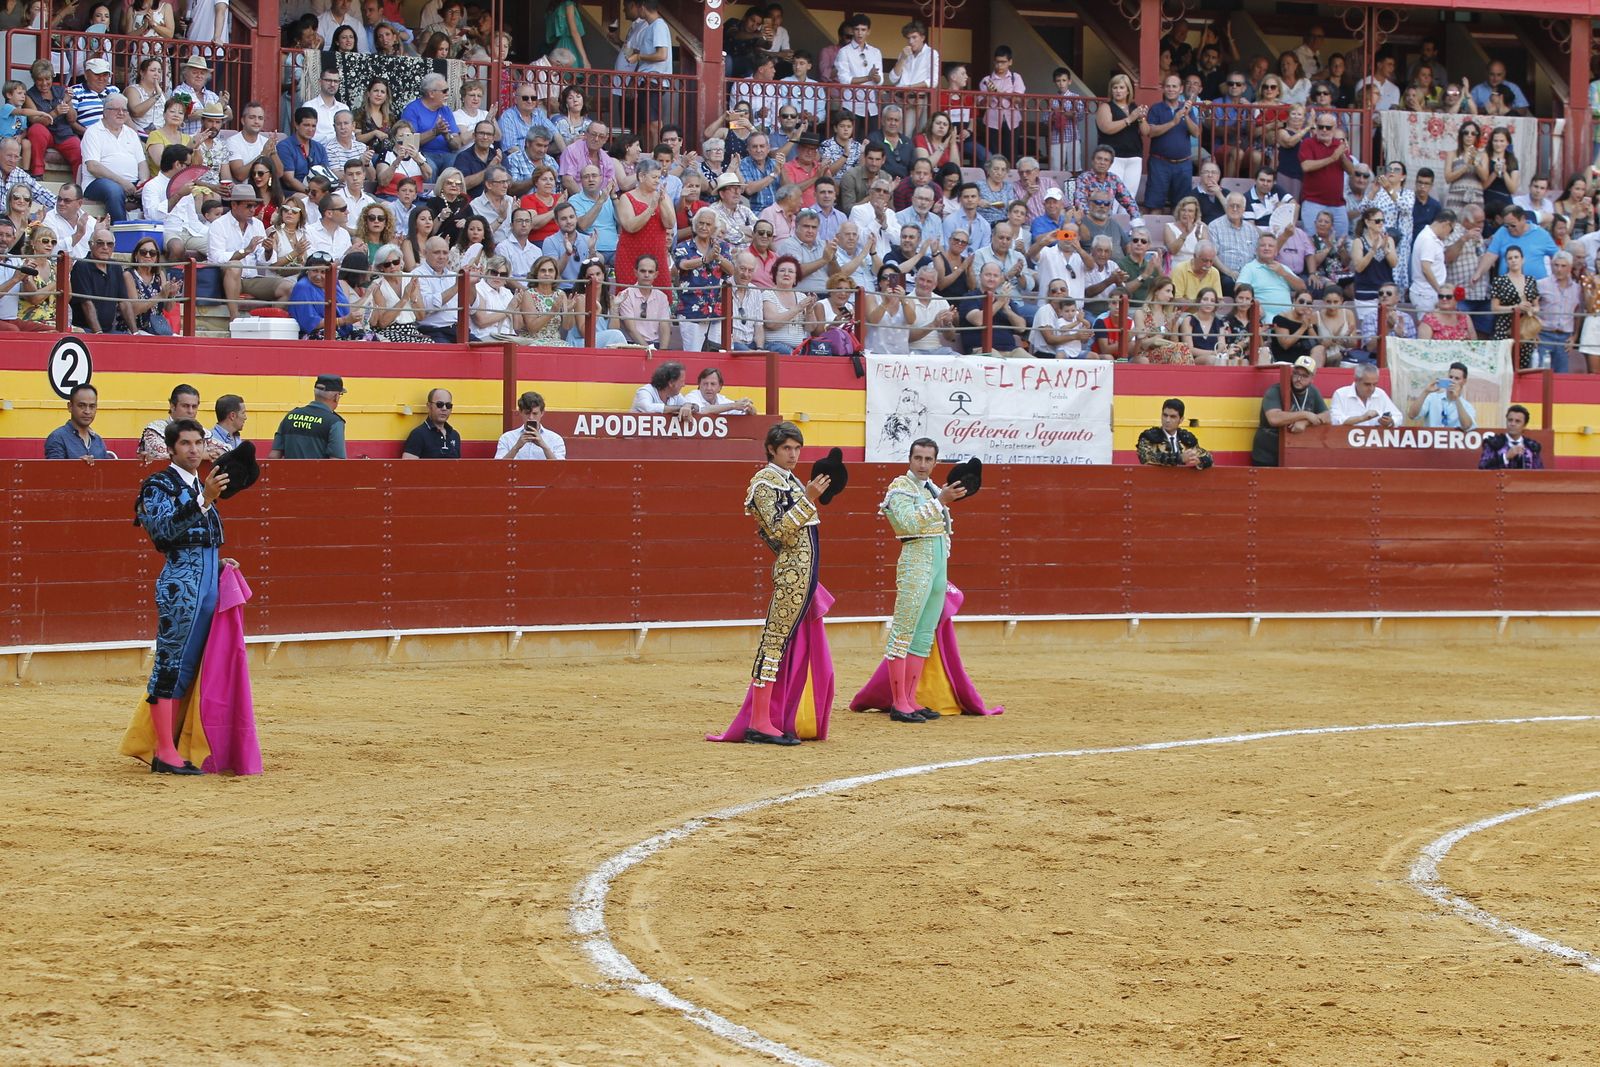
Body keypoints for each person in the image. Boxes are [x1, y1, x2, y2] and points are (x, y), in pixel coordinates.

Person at [707, 421, 828, 745]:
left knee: (784, 644)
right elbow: (777, 531)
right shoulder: (764, 483)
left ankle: (770, 717)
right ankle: (760, 722)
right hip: (791, 575)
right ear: (772, 450)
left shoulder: (789, 481)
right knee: (774, 642)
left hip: (803, 575)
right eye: (787, 448)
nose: (793, 454)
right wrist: (809, 499)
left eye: (797, 448)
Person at [128, 418, 231, 776]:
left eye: (198, 443)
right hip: (181, 587)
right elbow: (163, 533)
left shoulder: (200, 487)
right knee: (171, 665)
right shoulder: (160, 484)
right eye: (185, 444)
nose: (193, 450)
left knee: (191, 667)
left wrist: (219, 564)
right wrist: (204, 499)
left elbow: (204, 538)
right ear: (171, 449)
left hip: (206, 584)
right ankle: (164, 752)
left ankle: (174, 744)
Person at [1251, 354, 1330, 466]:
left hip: (1295, 454)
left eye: (1304, 376)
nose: (1299, 379)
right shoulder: (1275, 390)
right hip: (1267, 454)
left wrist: (1305, 422)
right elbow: (1274, 418)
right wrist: (1305, 414)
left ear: (1312, 379)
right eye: (1296, 373)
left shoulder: (1313, 392)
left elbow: (1327, 415)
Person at [270, 375, 346, 458]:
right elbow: (337, 463)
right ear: (336, 397)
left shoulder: (290, 416)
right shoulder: (334, 422)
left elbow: (273, 457)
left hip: (289, 471)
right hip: (318, 471)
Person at [1137, 398, 1213, 469]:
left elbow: (1208, 457)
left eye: (1173, 417)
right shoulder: (1149, 437)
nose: (1167, 420)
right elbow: (1146, 457)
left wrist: (1199, 461)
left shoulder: (1186, 439)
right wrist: (1179, 458)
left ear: (1181, 419)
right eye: (1165, 415)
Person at [44, 382, 110, 461]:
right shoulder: (57, 438)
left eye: (92, 406)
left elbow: (106, 471)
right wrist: (76, 466)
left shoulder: (98, 440)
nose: (87, 411)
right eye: (81, 405)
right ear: (70, 407)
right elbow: (54, 472)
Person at [496, 390, 567, 460]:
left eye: (535, 413)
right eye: (527, 413)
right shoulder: (507, 438)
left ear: (542, 413)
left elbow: (560, 468)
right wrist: (517, 447)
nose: (531, 417)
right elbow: (498, 467)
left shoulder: (555, 439)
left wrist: (544, 446)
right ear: (520, 412)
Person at [1409, 360, 1478, 429]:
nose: (1452, 381)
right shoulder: (1432, 398)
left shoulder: (1467, 406)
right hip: (1432, 438)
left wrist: (1457, 398)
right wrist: (1425, 392)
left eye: (1457, 378)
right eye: (1450, 377)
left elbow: (1467, 426)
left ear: (1464, 381)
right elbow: (1412, 415)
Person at [1329, 362, 1403, 427]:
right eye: (1367, 384)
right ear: (1356, 380)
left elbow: (1398, 417)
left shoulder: (1380, 393)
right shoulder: (1341, 394)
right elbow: (1334, 421)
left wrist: (1390, 422)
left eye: (1375, 384)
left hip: (1375, 441)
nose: (1372, 388)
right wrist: (1362, 418)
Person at [401, 387, 461, 458]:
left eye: (448, 405)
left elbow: (458, 467)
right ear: (429, 406)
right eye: (439, 404)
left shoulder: (454, 435)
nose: (444, 408)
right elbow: (408, 467)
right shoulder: (418, 435)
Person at [1479, 404, 1543, 469]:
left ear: (1524, 425)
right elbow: (1483, 467)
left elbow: (1539, 473)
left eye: (1517, 421)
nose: (1512, 424)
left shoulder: (1532, 447)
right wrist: (1505, 457)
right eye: (1510, 420)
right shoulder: (1493, 443)